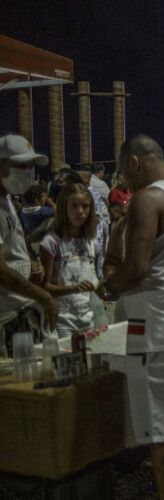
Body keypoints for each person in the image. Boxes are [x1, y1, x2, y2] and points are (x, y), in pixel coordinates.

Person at [96, 136, 164, 500]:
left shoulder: (148, 199)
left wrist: (109, 289)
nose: (122, 180)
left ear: (135, 162)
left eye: (122, 170)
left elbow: (137, 269)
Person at [0, 134, 58, 351]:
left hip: (19, 311)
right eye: (21, 166)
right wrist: (42, 295)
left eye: (31, 166)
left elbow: (12, 246)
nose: (28, 173)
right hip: (5, 319)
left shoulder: (6, 199)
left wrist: (30, 263)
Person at [39, 183, 99, 338]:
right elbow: (44, 287)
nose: (80, 212)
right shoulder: (51, 242)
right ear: (64, 207)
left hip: (89, 318)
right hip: (63, 321)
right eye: (74, 206)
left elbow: (95, 278)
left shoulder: (92, 243)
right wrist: (73, 288)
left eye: (85, 206)